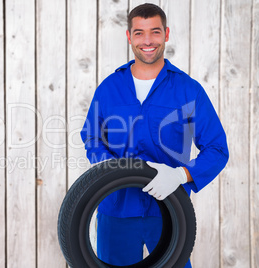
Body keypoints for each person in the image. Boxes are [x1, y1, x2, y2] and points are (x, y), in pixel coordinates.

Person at [80, 3, 229, 267]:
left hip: (170, 210)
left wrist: (180, 175)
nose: (147, 41)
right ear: (129, 37)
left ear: (166, 34)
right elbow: (92, 136)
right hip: (117, 209)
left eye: (155, 32)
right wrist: (108, 167)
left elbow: (217, 149)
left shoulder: (188, 90)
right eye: (139, 33)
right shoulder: (109, 88)